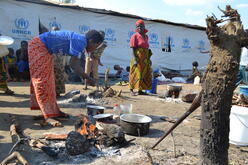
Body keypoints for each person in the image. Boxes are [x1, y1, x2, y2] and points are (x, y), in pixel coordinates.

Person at [28, 30, 103, 126]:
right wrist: (88, 78)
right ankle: (48, 116)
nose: (94, 49)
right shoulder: (81, 42)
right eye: (96, 46)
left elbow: (76, 63)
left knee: (50, 82)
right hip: (38, 46)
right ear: (91, 41)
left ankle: (53, 111)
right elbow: (74, 65)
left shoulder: (81, 42)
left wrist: (87, 77)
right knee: (42, 81)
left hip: (45, 49)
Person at [129, 19, 152, 95]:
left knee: (144, 74)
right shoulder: (134, 36)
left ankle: (140, 90)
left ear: (144, 27)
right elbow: (133, 48)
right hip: (137, 57)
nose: (139, 27)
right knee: (134, 73)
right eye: (138, 26)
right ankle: (131, 90)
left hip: (145, 59)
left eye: (141, 26)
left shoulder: (146, 36)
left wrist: (149, 58)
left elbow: (147, 48)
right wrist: (135, 59)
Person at [51, 26, 66, 97]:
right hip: (52, 61)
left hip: (60, 61)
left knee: (59, 77)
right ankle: (52, 92)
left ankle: (58, 93)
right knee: (52, 77)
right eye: (54, 31)